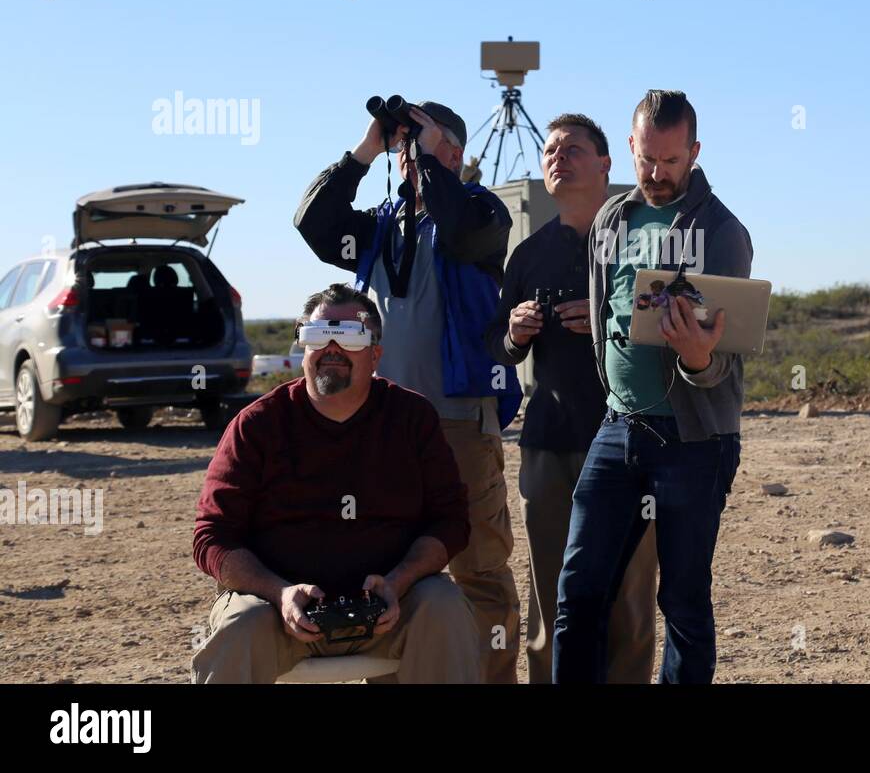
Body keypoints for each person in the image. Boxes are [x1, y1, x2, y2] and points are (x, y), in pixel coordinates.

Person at [294, 101, 523, 683]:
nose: (407, 153)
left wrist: (429, 163)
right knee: (386, 572)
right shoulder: (381, 225)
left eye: (420, 141)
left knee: (479, 572)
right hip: (386, 427)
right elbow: (313, 224)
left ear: (454, 153)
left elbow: (464, 230)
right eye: (404, 144)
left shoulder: (480, 210)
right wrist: (366, 150)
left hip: (458, 423)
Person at [553, 90, 753, 684]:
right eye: (647, 160)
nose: (658, 174)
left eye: (671, 161)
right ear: (632, 146)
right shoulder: (612, 220)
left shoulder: (721, 231)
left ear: (693, 152)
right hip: (617, 429)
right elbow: (604, 310)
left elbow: (725, 358)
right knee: (580, 592)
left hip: (695, 441)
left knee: (684, 602)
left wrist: (697, 357)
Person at [191, 284, 480, 683]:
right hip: (278, 612)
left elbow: (449, 522)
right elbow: (212, 536)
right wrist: (279, 593)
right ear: (302, 347)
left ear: (375, 353)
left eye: (348, 335)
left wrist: (398, 582)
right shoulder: (258, 425)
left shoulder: (412, 418)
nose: (331, 347)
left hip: (390, 607)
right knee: (240, 625)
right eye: (317, 334)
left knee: (443, 605)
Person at [485, 113, 657, 684]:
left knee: (629, 598)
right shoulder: (527, 254)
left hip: (631, 440)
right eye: (551, 150)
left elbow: (681, 324)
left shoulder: (642, 240)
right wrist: (515, 333)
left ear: (607, 163)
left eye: (574, 148)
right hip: (549, 442)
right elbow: (499, 348)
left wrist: (611, 319)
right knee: (550, 596)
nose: (559, 156)